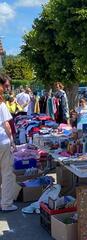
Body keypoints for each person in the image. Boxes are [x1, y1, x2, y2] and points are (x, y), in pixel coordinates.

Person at [0, 74, 18, 211]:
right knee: (7, 173)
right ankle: (6, 203)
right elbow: (6, 124)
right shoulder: (1, 103)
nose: (7, 88)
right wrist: (12, 141)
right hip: (2, 141)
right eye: (5, 85)